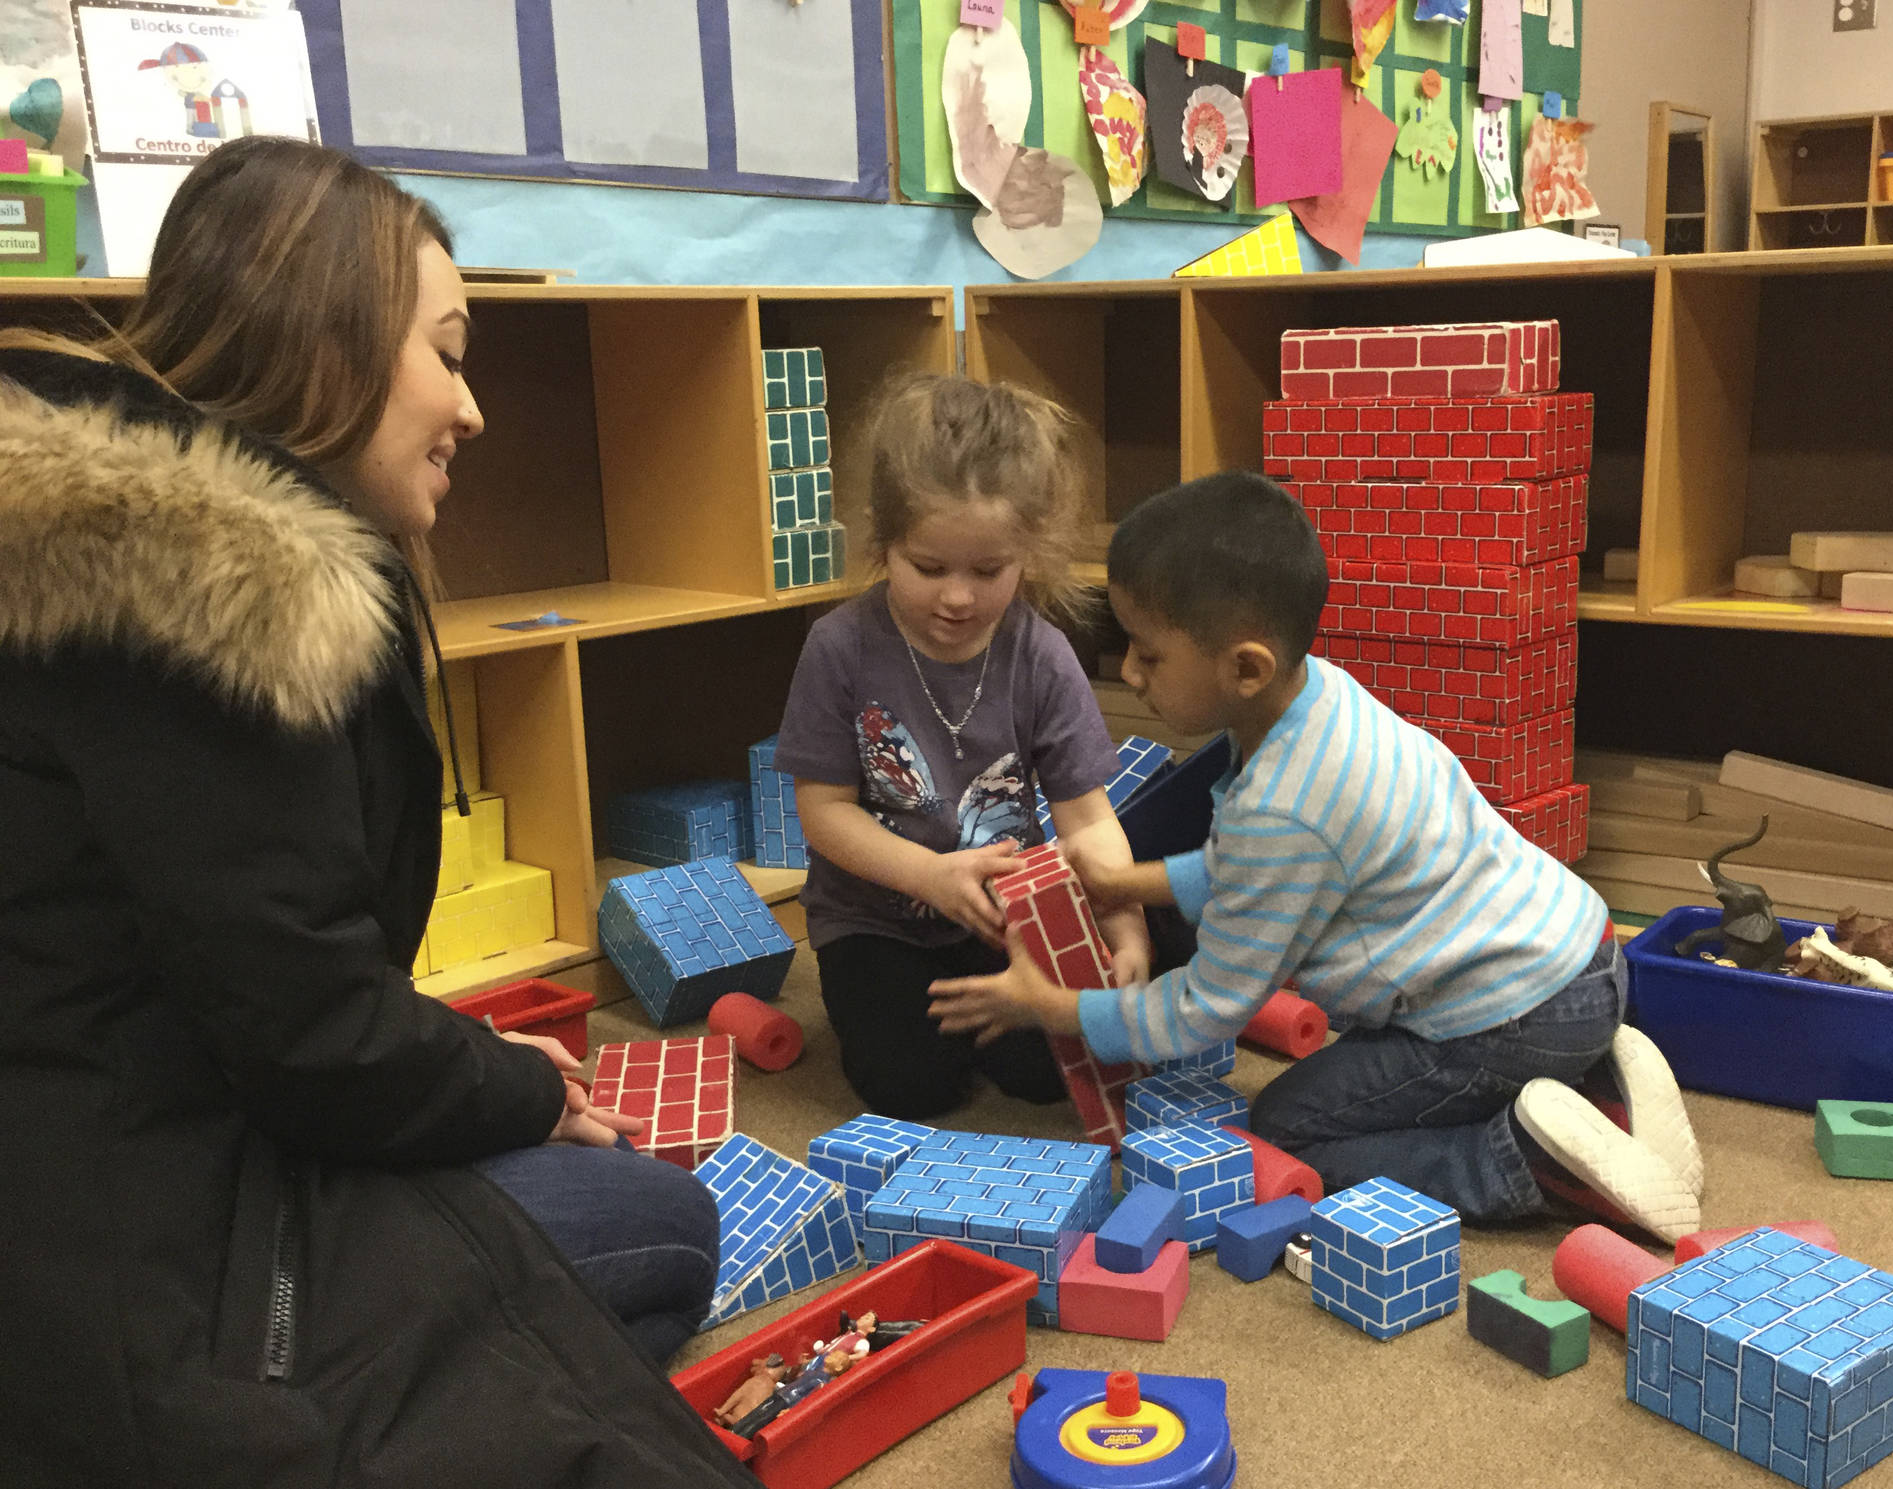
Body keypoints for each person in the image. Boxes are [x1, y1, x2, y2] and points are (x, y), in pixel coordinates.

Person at [0, 137, 749, 1487]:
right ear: (326, 339)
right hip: (136, 1280)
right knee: (661, 1228)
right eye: (449, 351)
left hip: (102, 1179)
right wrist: (514, 1087)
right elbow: (316, 1041)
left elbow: (252, 973)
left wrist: (465, 1072)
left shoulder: (93, 566)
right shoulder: (205, 622)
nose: (474, 411)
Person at [928, 471, 1705, 1244]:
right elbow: (1249, 866)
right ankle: (1595, 1091)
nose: (1128, 671)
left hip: (1507, 1016)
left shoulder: (1284, 807)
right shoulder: (1317, 699)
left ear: (1245, 668)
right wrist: (1125, 881)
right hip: (1578, 956)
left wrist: (1055, 1009)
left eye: (1149, 654)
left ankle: (1520, 1161)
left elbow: (1209, 1006)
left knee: (1290, 1126)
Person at [774, 372, 1148, 1120]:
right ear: (884, 542)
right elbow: (823, 813)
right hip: (876, 922)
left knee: (1049, 1070)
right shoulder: (839, 648)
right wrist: (929, 875)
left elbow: (1086, 817)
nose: (957, 597)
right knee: (910, 1085)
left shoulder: (1040, 655)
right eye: (929, 566)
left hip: (1006, 915)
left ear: (1029, 554)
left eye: (988, 571)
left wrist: (1126, 927)